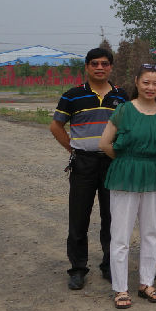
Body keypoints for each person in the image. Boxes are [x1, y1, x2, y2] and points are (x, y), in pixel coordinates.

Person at [50, 47, 128, 290]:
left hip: (112, 163)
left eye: (104, 63)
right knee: (79, 217)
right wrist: (73, 150)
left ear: (111, 67)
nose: (100, 68)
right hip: (83, 162)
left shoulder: (121, 96)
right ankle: (77, 268)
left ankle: (109, 265)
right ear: (86, 67)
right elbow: (56, 126)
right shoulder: (73, 95)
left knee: (111, 217)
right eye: (94, 64)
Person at [98, 64, 156, 308]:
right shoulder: (124, 110)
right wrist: (126, 162)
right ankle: (120, 288)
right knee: (121, 234)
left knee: (151, 232)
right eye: (146, 82)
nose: (151, 88)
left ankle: (146, 283)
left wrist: (151, 162)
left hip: (154, 174)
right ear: (137, 82)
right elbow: (105, 143)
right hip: (125, 175)